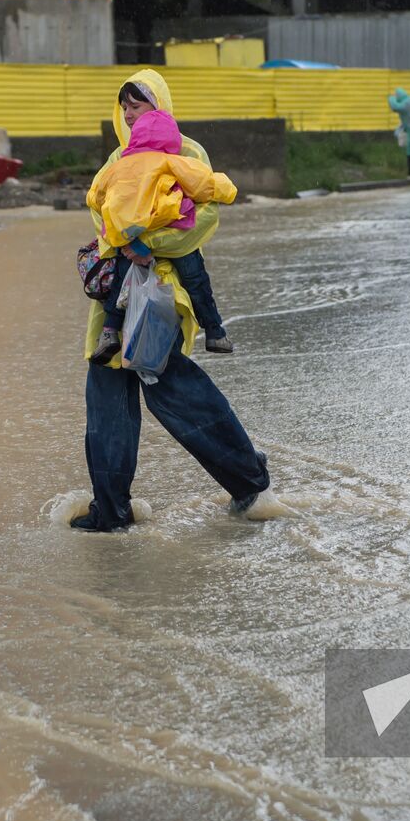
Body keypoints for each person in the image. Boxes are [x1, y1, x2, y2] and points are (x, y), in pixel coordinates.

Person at [71, 69, 270, 533]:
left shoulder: (186, 151)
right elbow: (101, 216)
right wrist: (121, 244)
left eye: (137, 102)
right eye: (124, 104)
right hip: (115, 303)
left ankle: (250, 483)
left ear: (159, 103)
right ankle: (111, 511)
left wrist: (146, 245)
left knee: (179, 399)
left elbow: (202, 221)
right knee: (107, 410)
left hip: (161, 298)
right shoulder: (116, 159)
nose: (128, 111)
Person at [87, 107, 237, 363]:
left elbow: (95, 197)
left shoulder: (117, 166)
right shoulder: (171, 161)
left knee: (119, 285)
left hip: (127, 238)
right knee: (197, 281)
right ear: (171, 141)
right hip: (166, 228)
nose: (128, 114)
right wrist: (229, 191)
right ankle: (215, 332)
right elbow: (206, 184)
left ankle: (110, 332)